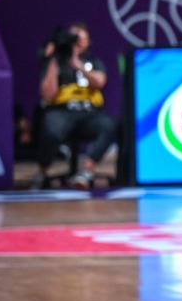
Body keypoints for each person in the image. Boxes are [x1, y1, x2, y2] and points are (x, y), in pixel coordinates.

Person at [31, 22, 118, 190]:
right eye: (74, 39)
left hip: (88, 113)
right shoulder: (54, 62)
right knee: (51, 129)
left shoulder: (93, 62)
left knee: (109, 125)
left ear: (88, 43)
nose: (77, 43)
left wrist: (76, 63)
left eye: (82, 40)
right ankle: (41, 172)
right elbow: (48, 93)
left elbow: (100, 81)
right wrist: (55, 59)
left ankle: (86, 172)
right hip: (61, 111)